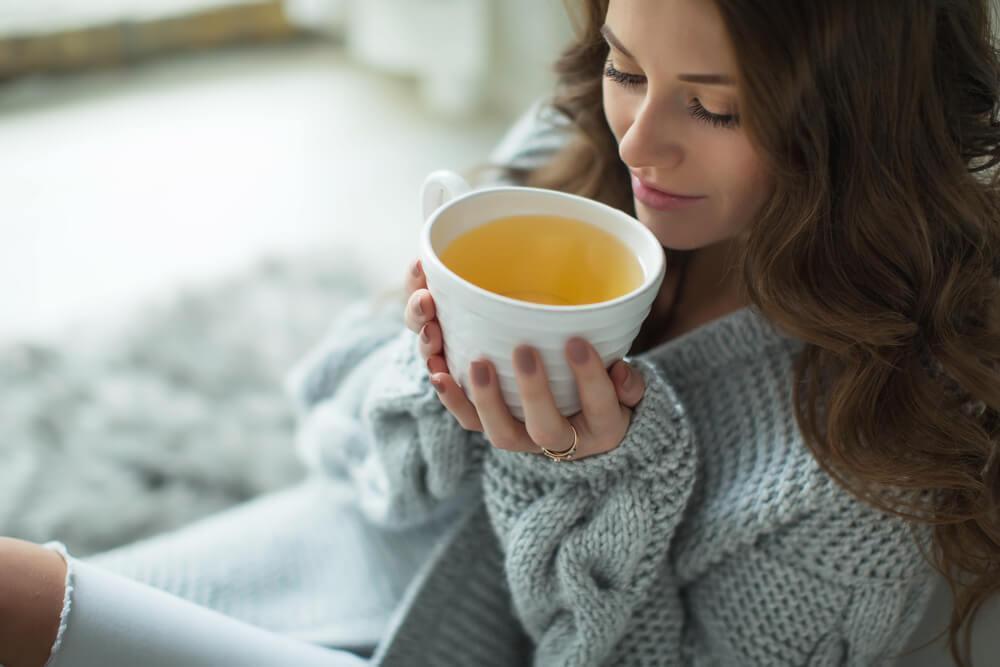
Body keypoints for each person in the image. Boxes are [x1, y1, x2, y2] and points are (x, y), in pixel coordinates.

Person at [2, 0, 999, 665]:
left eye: (716, 108)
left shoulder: (871, 457)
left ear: (857, 127)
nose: (640, 140)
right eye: (624, 66)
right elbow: (334, 428)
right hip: (336, 552)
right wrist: (428, 364)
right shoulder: (576, 155)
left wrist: (582, 475)